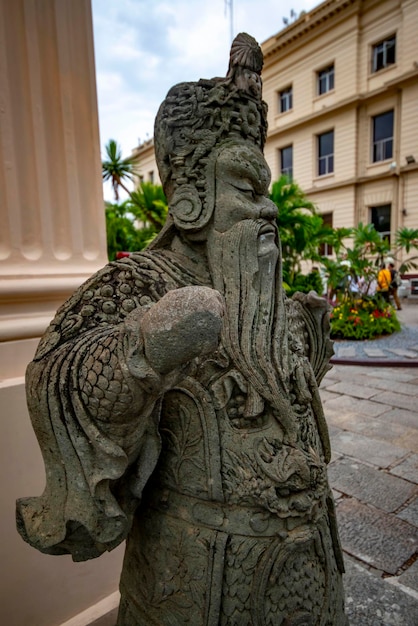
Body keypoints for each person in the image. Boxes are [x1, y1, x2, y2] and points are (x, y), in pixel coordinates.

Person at [17, 34, 347, 625]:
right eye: (247, 189)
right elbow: (54, 375)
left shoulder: (262, 286)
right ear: (192, 198)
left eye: (267, 191)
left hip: (311, 572)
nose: (269, 209)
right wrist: (140, 347)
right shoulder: (141, 283)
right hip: (197, 582)